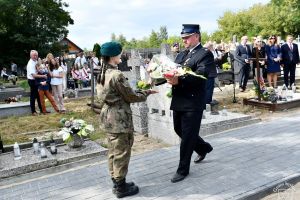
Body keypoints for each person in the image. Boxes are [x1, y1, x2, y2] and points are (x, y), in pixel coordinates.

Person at [96, 42, 157, 198]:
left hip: (108, 117)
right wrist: (147, 92)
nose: (121, 56)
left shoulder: (102, 72)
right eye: (119, 53)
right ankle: (120, 187)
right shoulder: (116, 75)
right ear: (112, 56)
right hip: (119, 118)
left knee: (113, 151)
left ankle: (117, 180)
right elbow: (130, 96)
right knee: (122, 151)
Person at [165, 24, 213, 183]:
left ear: (197, 36)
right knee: (179, 129)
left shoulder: (205, 54)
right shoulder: (181, 55)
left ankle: (182, 169)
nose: (184, 40)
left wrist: (179, 79)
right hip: (179, 99)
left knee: (187, 137)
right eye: (182, 38)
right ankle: (203, 147)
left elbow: (201, 77)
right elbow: (173, 70)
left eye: (187, 37)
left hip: (193, 101)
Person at [26, 50, 45, 115]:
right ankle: (33, 111)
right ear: (31, 56)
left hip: (36, 80)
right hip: (32, 81)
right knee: (33, 96)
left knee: (38, 95)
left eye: (36, 55)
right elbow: (34, 75)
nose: (35, 56)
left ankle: (42, 109)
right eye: (34, 55)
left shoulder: (35, 61)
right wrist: (43, 76)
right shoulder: (30, 64)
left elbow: (39, 67)